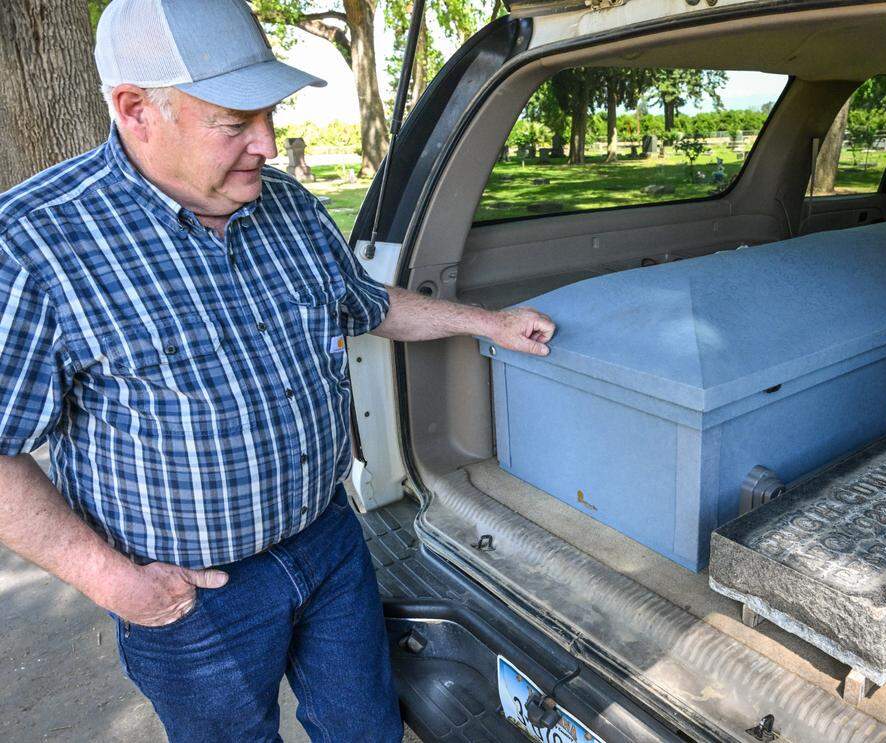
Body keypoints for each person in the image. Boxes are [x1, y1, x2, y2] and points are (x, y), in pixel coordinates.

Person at [0, 1, 555, 741]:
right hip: (194, 597)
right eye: (235, 122)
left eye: (268, 114)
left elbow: (363, 305)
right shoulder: (35, 242)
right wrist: (113, 582)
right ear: (135, 109)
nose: (266, 141)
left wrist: (490, 323)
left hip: (328, 543)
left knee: (368, 730)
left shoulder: (288, 206)